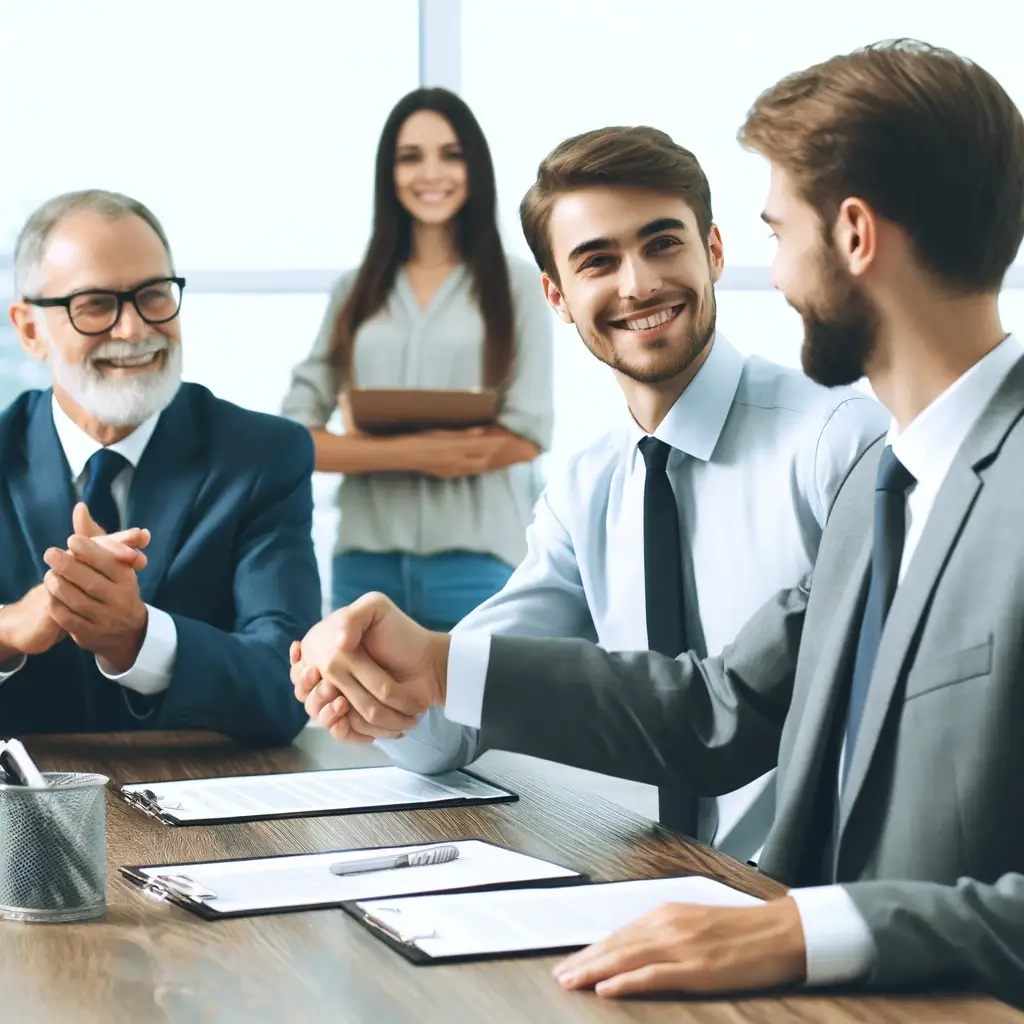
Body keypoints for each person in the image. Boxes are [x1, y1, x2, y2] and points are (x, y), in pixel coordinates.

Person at [290, 40, 1024, 1006]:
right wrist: (437, 664)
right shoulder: (889, 486)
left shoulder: (883, 456)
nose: (774, 265)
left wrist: (809, 928)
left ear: (853, 235)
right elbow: (720, 711)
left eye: (775, 227)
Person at [298, 126, 887, 859]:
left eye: (662, 244)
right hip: (649, 883)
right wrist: (371, 689)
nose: (638, 283)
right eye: (597, 261)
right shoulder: (586, 489)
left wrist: (438, 672)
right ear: (558, 295)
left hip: (807, 898)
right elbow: (452, 722)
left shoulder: (837, 441)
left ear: (714, 252)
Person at [0, 190, 319, 742]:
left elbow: (286, 684)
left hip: (203, 813)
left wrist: (140, 638)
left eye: (152, 295)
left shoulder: (262, 456)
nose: (133, 329)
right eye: (96, 303)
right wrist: (7, 630)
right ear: (31, 330)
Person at [281, 87, 552, 630]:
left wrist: (363, 446)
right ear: (390, 172)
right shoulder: (353, 292)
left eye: (451, 154)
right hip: (365, 564)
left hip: (478, 565)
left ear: (475, 166)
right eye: (411, 157)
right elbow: (293, 439)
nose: (432, 173)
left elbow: (526, 433)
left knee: (481, 716)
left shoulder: (519, 285)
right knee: (362, 715)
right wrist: (425, 454)